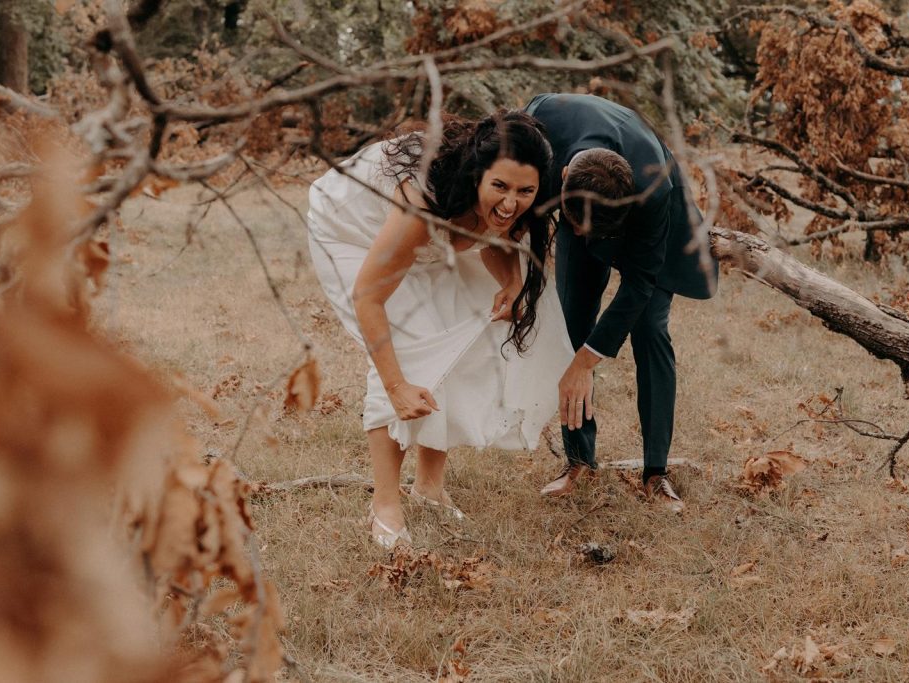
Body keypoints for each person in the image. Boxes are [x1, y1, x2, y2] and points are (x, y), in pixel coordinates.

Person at [307, 111, 573, 547]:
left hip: (435, 230)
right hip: (350, 229)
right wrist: (396, 386)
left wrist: (512, 280)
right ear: (475, 176)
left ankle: (429, 487)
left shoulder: (520, 202)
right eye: (500, 187)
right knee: (411, 352)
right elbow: (368, 299)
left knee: (463, 336)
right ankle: (385, 505)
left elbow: (498, 236)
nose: (511, 203)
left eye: (525, 191)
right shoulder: (420, 206)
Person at [524, 93, 717, 510]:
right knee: (571, 325)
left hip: (648, 222)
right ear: (561, 182)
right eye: (576, 227)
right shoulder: (538, 129)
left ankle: (656, 473)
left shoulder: (653, 186)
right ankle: (578, 461)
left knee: (649, 328)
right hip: (583, 186)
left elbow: (640, 282)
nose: (581, 237)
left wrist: (586, 362)